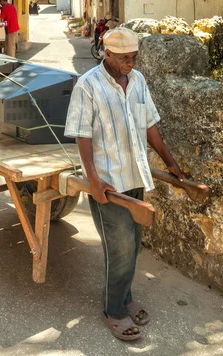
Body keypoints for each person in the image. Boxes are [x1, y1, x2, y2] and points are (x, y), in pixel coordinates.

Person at [65, 27, 184, 342]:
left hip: (136, 175)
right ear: (108, 53)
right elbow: (82, 133)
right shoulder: (88, 85)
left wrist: (169, 161)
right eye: (124, 58)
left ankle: (124, 297)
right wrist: (93, 179)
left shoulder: (138, 81)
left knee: (132, 245)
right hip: (108, 181)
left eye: (134, 57)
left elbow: (149, 125)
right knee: (118, 248)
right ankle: (114, 310)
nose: (131, 63)